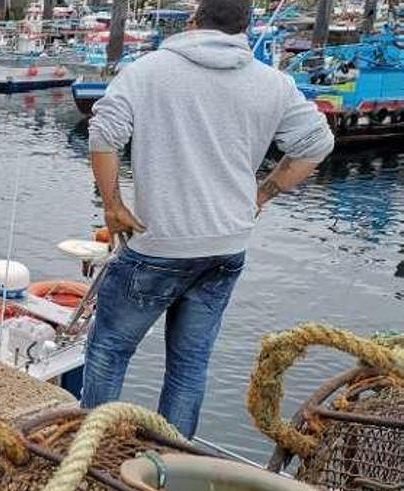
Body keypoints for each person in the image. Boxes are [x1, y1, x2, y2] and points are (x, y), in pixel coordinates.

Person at [83, 0, 335, 437]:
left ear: (194, 20)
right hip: (226, 247)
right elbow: (316, 144)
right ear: (245, 26)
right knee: (189, 365)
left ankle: (92, 451)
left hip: (158, 245)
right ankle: (170, 463)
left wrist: (113, 205)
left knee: (109, 349)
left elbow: (104, 133)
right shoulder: (273, 83)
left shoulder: (149, 70)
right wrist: (264, 193)